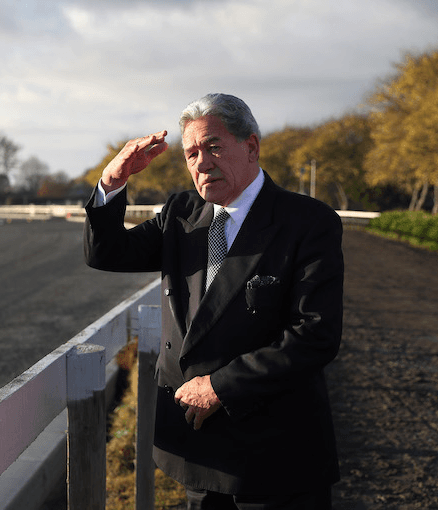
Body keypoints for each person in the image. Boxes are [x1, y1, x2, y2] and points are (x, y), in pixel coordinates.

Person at [84, 93, 343, 509]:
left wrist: (220, 387)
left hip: (274, 455)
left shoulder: (308, 222)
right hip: (194, 448)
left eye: (214, 147)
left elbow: (315, 335)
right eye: (191, 154)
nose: (202, 162)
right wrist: (111, 184)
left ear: (252, 146)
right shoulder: (181, 213)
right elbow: (108, 254)